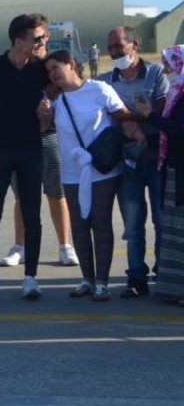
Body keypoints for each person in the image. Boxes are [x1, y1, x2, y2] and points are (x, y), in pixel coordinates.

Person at [41, 50, 136, 301]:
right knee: (79, 226)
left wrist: (140, 132)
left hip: (101, 169)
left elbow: (123, 115)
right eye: (48, 71)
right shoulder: (54, 99)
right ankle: (87, 279)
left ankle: (103, 282)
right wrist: (44, 116)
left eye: (56, 68)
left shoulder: (98, 89)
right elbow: (44, 130)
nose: (52, 74)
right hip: (72, 172)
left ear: (72, 65)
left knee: (101, 223)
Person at [0, 13, 50, 301]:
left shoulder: (40, 69)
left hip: (30, 150)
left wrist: (44, 119)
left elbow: (52, 109)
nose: (42, 42)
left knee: (32, 214)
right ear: (18, 41)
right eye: (37, 38)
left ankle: (31, 278)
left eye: (44, 37)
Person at [99, 26, 169, 298]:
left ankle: (163, 273)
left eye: (119, 47)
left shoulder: (156, 73)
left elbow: (162, 109)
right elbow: (108, 115)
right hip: (128, 161)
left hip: (157, 158)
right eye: (111, 48)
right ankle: (136, 276)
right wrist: (134, 119)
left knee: (162, 222)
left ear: (135, 44)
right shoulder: (105, 80)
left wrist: (129, 117)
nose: (115, 53)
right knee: (132, 223)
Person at [138, 45, 184, 304]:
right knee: (175, 232)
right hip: (175, 169)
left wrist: (150, 116)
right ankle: (174, 288)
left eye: (170, 64)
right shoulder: (179, 92)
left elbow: (179, 130)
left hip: (181, 171)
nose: (166, 70)